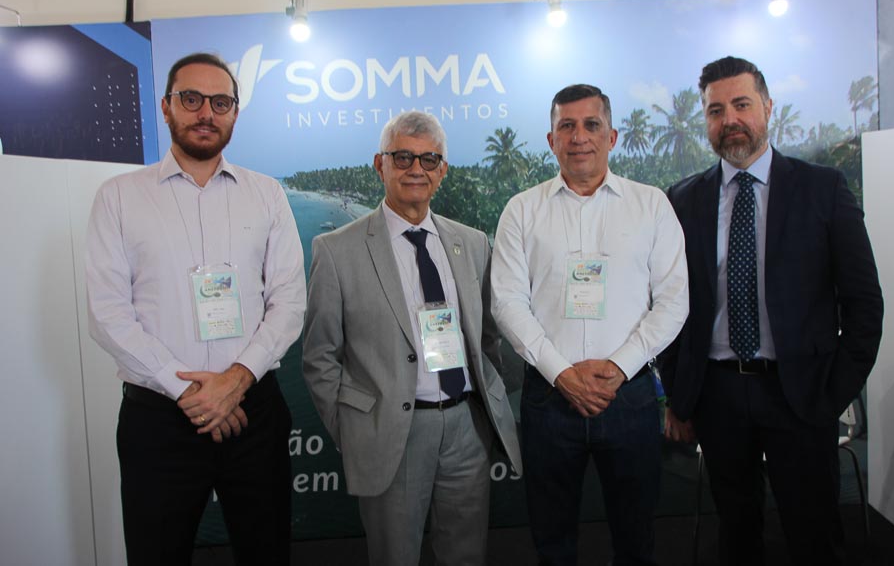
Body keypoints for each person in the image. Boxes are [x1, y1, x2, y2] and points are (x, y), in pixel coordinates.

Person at [659, 56, 884, 565]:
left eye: (741, 105)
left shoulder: (822, 189)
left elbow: (865, 305)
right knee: (737, 538)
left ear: (768, 107)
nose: (730, 120)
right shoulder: (683, 200)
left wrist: (832, 393)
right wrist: (680, 392)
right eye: (716, 111)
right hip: (717, 396)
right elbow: (668, 307)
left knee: (814, 537)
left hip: (800, 394)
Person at [86, 52, 306, 564]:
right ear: (166, 107)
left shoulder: (267, 194)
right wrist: (190, 392)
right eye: (191, 99)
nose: (206, 112)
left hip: (253, 413)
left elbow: (289, 300)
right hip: (160, 420)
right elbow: (108, 313)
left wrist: (236, 381)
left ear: (235, 113)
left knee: (267, 552)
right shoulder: (118, 197)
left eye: (220, 102)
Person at [302, 110, 521, 565]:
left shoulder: (472, 243)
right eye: (402, 157)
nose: (415, 169)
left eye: (428, 159)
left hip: (466, 428)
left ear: (442, 170)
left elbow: (487, 339)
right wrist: (356, 429)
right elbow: (320, 356)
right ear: (379, 165)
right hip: (391, 434)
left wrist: (483, 411)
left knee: (466, 555)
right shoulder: (336, 250)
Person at [491, 84, 689, 565]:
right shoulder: (521, 210)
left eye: (591, 125)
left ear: (612, 136)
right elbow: (507, 303)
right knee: (552, 540)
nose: (579, 136)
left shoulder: (651, 205)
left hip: (630, 397)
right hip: (549, 399)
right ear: (551, 139)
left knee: (636, 539)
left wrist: (618, 368)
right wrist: (562, 373)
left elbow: (673, 302)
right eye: (567, 126)